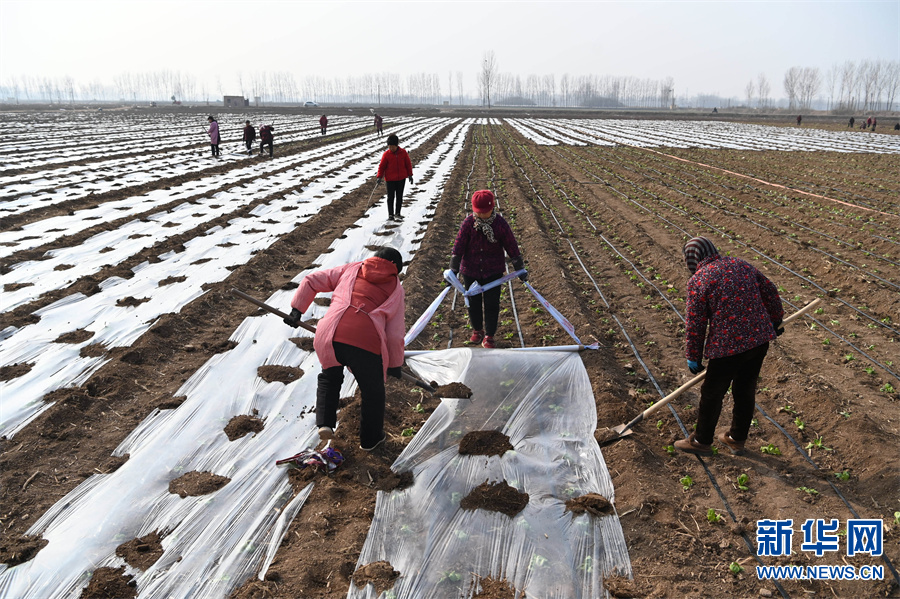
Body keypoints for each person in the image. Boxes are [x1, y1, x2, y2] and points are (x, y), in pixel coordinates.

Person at [283, 247, 406, 452]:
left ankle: (325, 423)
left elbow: (312, 280)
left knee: (329, 377)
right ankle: (370, 440)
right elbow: (394, 334)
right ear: (396, 270)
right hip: (365, 340)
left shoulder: (351, 269)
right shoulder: (395, 288)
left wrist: (297, 311)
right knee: (372, 392)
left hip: (328, 332)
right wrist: (394, 365)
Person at [674, 237, 784, 456]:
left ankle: (701, 441)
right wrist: (775, 320)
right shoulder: (740, 264)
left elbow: (695, 324)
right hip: (758, 340)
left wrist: (693, 356)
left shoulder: (699, 279)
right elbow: (770, 291)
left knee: (712, 393)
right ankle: (736, 439)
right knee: (745, 389)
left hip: (727, 347)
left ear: (693, 259)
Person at [449, 190, 526, 349]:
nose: (482, 215)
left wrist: (519, 267)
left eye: (485, 212)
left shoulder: (500, 224)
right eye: (479, 212)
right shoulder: (468, 224)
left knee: (492, 303)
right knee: (473, 302)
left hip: (493, 272)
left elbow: (511, 245)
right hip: (471, 271)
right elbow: (458, 248)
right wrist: (453, 271)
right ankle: (477, 330)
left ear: (493, 208)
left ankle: (489, 335)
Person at [376, 134, 413, 221]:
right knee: (390, 197)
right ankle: (391, 214)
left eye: (393, 146)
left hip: (401, 179)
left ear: (397, 145)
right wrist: (379, 177)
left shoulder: (403, 153)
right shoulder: (386, 155)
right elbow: (382, 166)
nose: (391, 148)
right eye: (389, 147)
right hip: (390, 179)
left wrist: (410, 175)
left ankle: (398, 213)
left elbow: (408, 164)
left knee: (399, 196)